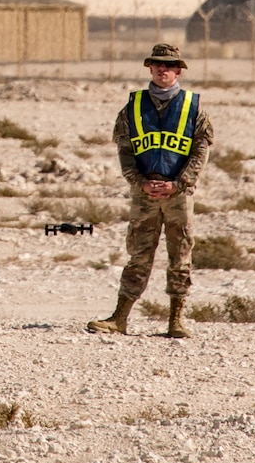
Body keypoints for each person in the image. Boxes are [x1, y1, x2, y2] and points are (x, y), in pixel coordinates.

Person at [86, 43, 215, 338]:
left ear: (178, 70)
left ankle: (176, 320)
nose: (162, 69)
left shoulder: (193, 108)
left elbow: (200, 152)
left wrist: (178, 184)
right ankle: (120, 318)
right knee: (139, 255)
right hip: (144, 193)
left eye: (169, 65)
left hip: (178, 194)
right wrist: (139, 181)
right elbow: (125, 150)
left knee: (180, 255)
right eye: (157, 64)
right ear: (150, 68)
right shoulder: (132, 107)